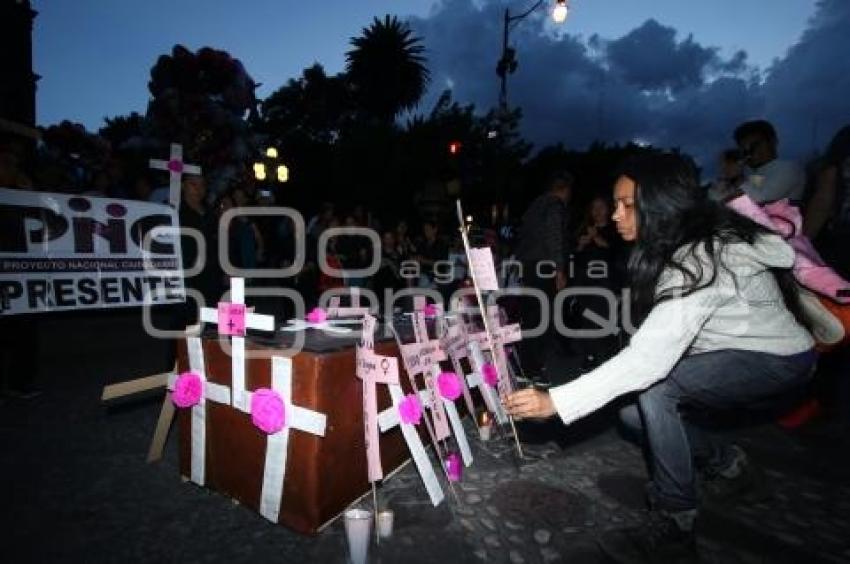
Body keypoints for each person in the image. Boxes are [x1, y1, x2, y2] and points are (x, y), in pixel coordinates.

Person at [505, 154, 816, 563]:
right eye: (615, 204)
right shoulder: (675, 250)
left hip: (777, 358)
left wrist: (555, 402)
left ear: (661, 203)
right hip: (738, 353)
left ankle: (675, 523)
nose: (616, 215)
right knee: (635, 415)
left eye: (627, 204)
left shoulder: (699, 258)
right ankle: (730, 466)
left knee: (657, 389)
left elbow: (647, 361)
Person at [514, 170, 573, 385]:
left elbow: (522, 238)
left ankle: (525, 365)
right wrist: (559, 270)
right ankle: (535, 369)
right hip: (544, 266)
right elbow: (555, 237)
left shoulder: (533, 207)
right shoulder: (555, 206)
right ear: (564, 190)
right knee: (543, 317)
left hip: (528, 266)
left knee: (530, 316)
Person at [733, 119, 806, 204]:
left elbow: (762, 199)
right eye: (744, 148)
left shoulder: (789, 169)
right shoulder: (753, 173)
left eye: (755, 145)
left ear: (773, 142)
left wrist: (737, 178)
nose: (750, 151)